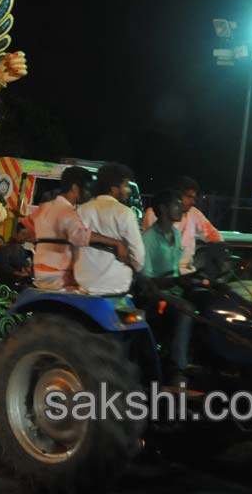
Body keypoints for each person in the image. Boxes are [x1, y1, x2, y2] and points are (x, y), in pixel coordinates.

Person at [29, 166, 128, 291]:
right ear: (75, 188)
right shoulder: (67, 211)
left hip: (39, 271)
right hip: (59, 275)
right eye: (86, 188)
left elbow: (28, 227)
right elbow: (80, 235)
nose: (89, 193)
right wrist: (116, 242)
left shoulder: (44, 207)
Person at [141, 190, 195, 385]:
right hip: (155, 293)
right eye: (176, 204)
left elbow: (174, 270)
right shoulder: (149, 238)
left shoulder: (174, 233)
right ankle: (178, 368)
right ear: (163, 209)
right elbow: (147, 280)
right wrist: (176, 282)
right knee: (186, 309)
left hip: (172, 289)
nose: (180, 208)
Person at [75, 163, 145, 294]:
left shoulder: (82, 209)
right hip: (116, 288)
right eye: (126, 185)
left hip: (84, 285)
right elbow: (139, 258)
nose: (128, 190)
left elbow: (74, 241)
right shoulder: (124, 213)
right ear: (113, 189)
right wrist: (135, 266)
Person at [142, 176, 222, 275]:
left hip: (185, 274)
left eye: (194, 198)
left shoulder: (192, 215)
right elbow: (148, 261)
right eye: (189, 197)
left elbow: (214, 236)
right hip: (161, 276)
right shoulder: (152, 217)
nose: (193, 202)